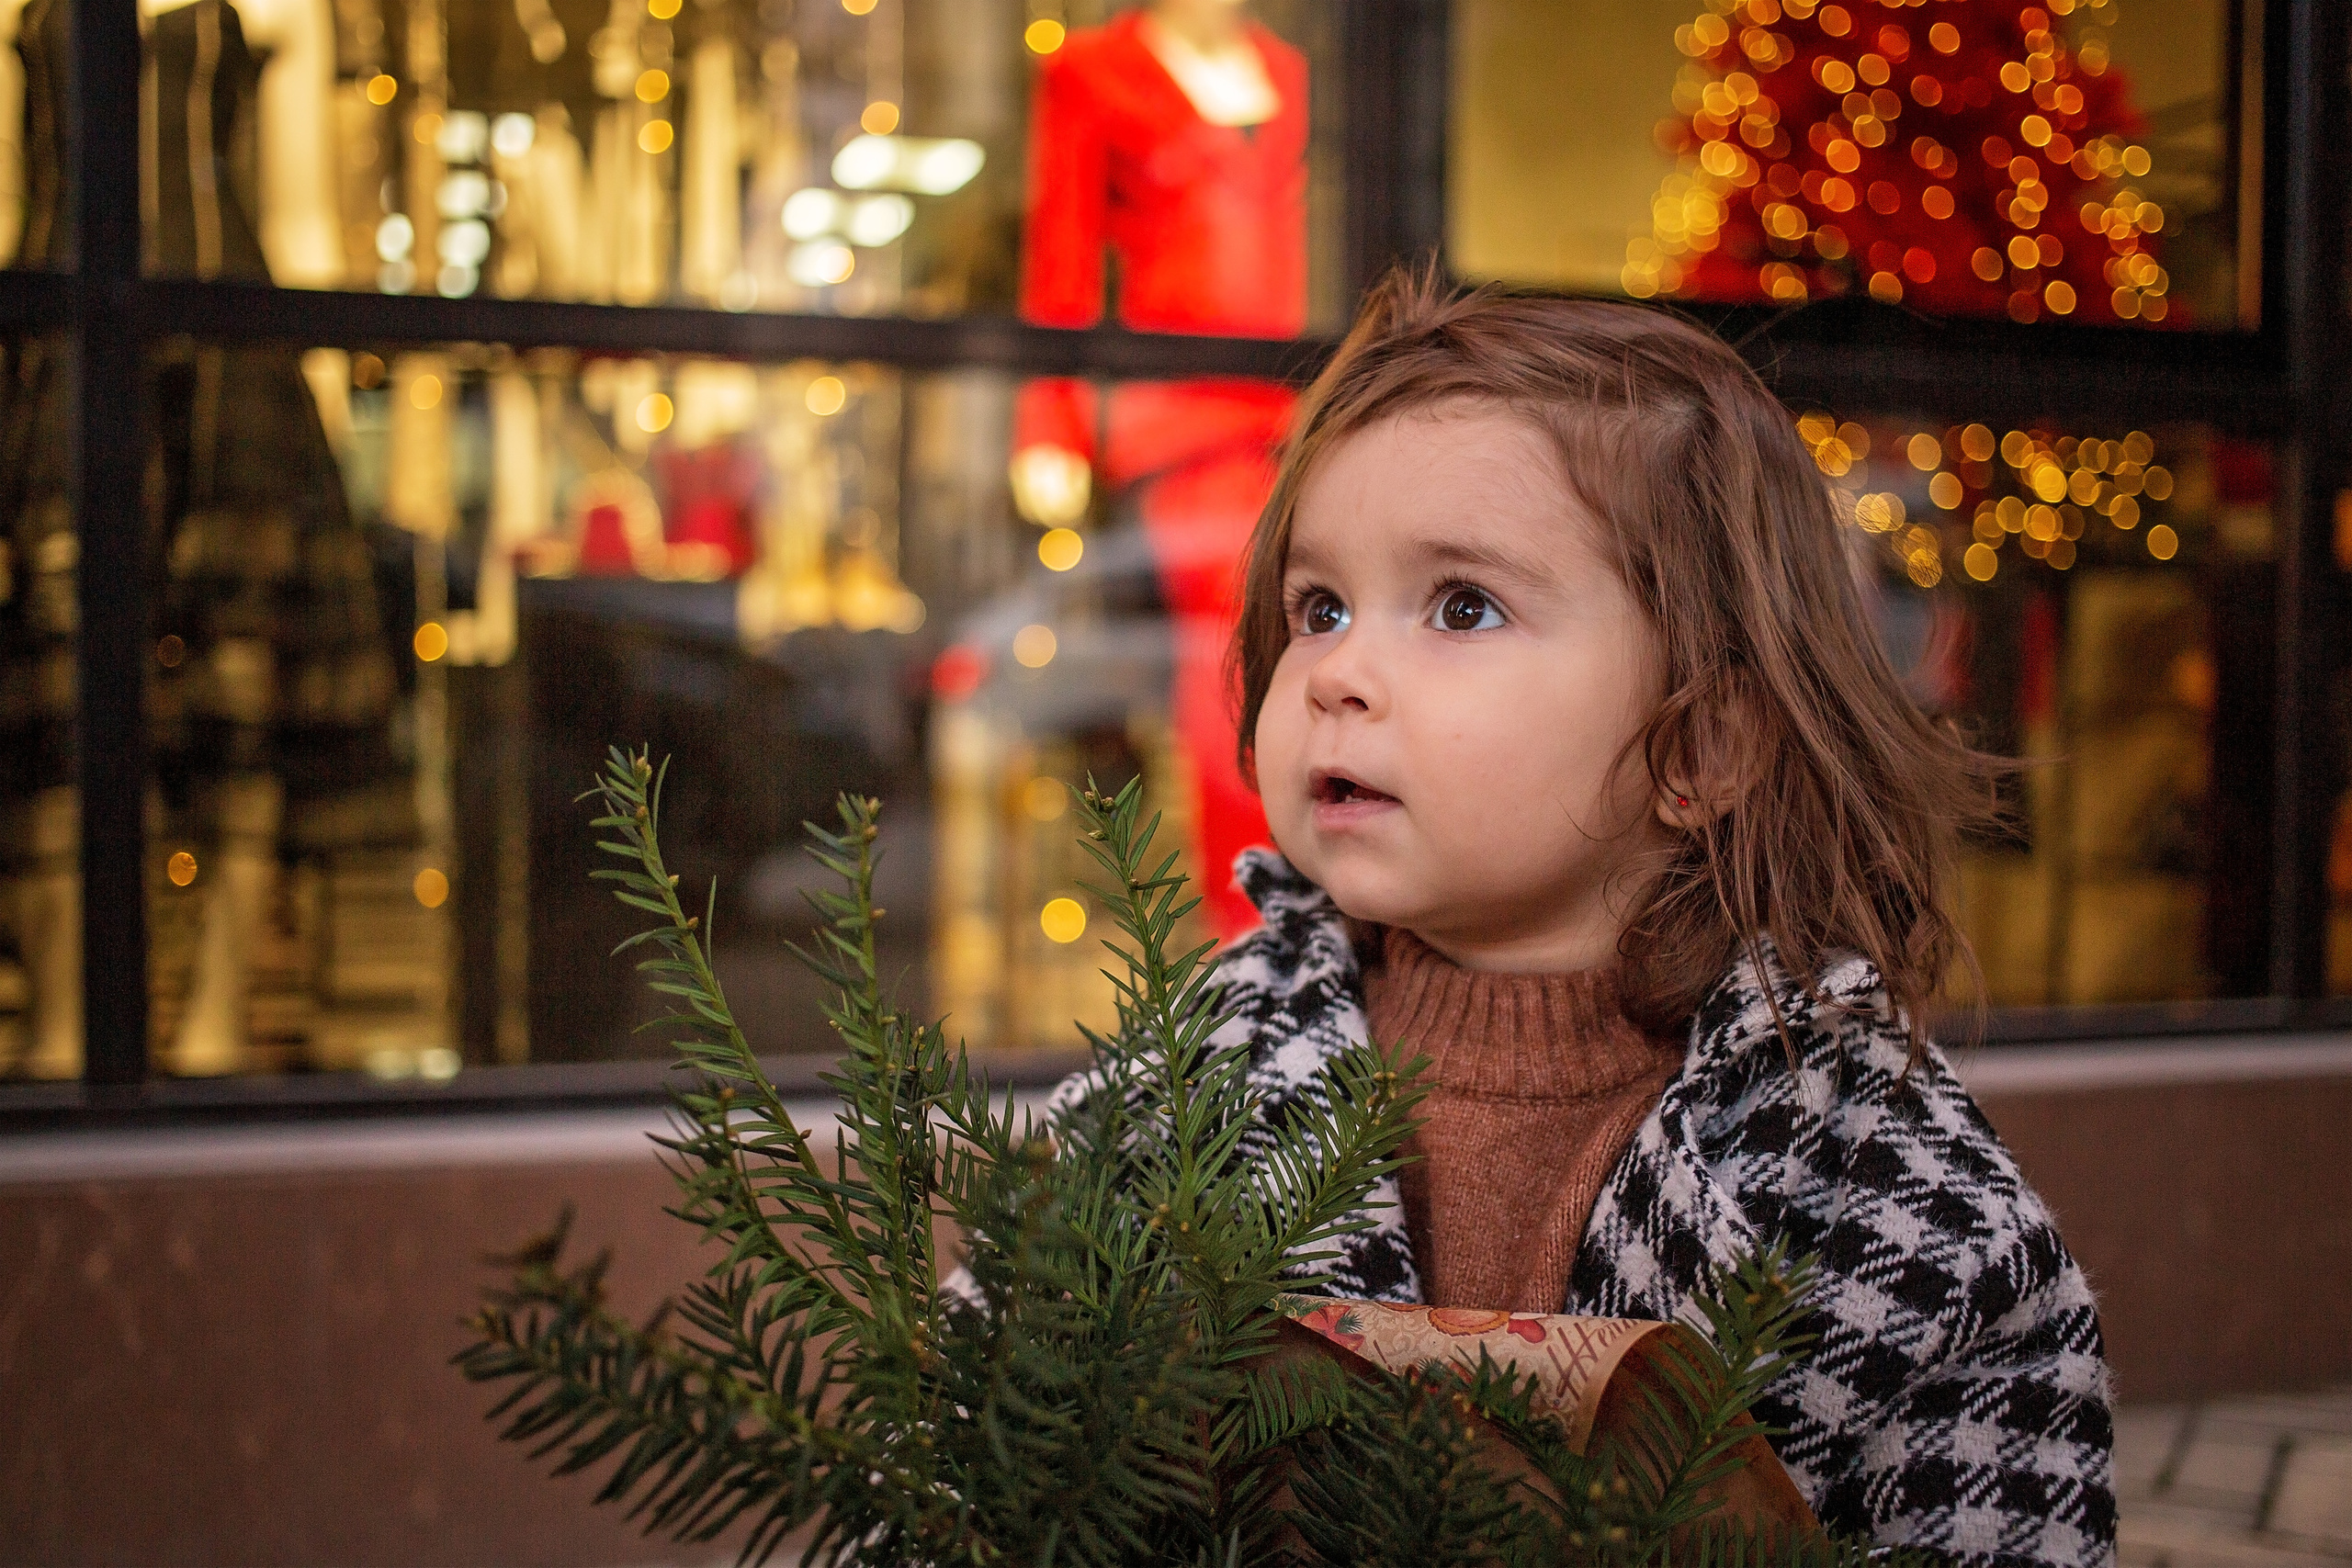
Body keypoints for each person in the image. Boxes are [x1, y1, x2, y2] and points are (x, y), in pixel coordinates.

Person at [1122, 271, 2117, 1567]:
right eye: (1320, 608)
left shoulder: (1874, 1185)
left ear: (1696, 745)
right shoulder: (1198, 1070)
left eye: (1463, 606)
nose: (1337, 676)